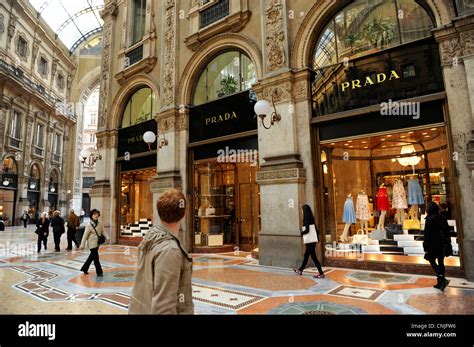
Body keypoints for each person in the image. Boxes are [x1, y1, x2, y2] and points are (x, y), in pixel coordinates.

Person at [129, 189, 194, 314]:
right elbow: (164, 306)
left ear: (158, 212)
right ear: (184, 213)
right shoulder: (170, 250)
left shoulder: (150, 237)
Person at [423, 202, 452, 291]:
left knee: (431, 260)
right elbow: (447, 231)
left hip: (433, 244)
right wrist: (448, 242)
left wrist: (426, 246)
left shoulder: (429, 219)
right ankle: (441, 281)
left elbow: (427, 234)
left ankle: (441, 279)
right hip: (442, 243)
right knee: (441, 261)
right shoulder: (442, 218)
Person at [293, 204, 325, 278]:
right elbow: (316, 229)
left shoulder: (307, 219)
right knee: (306, 255)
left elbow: (307, 230)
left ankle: (321, 273)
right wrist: (318, 239)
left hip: (310, 241)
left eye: (302, 210)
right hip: (312, 240)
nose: (301, 212)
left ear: (304, 211)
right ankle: (300, 270)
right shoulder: (311, 218)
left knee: (313, 257)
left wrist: (300, 233)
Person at [79, 209, 108, 277]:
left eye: (97, 214)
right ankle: (99, 272)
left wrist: (108, 237)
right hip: (91, 244)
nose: (96, 215)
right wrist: (82, 245)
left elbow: (103, 231)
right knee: (96, 258)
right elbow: (85, 236)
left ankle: (84, 268)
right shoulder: (89, 225)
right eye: (94, 214)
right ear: (91, 216)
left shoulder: (100, 223)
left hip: (97, 243)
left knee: (91, 257)